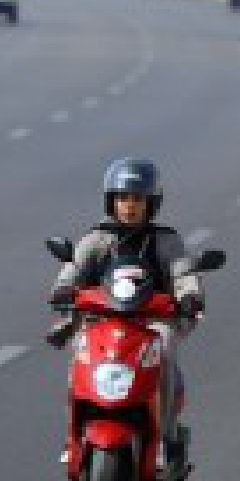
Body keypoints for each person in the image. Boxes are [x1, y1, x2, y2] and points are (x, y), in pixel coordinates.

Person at [48, 160, 205, 456]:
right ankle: (74, 436)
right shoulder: (97, 238)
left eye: (137, 199)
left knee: (165, 346)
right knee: (79, 352)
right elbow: (74, 268)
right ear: (111, 201)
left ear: (151, 203)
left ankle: (165, 436)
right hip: (101, 319)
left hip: (151, 321)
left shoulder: (165, 240)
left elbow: (182, 273)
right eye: (122, 198)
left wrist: (189, 296)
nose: (129, 206)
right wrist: (63, 289)